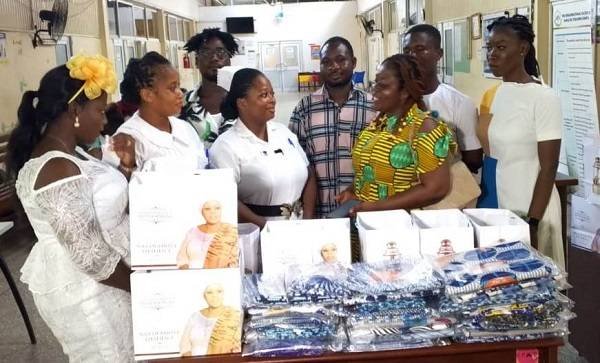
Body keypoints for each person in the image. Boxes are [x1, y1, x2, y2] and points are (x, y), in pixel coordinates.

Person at [6, 55, 136, 361]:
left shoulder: (73, 153)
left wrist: (127, 169)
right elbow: (90, 256)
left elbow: (99, 200)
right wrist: (144, 286)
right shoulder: (57, 168)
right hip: (90, 293)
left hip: (108, 286)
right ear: (75, 110)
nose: (105, 121)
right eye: (100, 112)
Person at [477, 15, 564, 268]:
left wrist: (532, 222)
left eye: (501, 47)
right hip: (498, 200)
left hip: (531, 203)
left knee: (534, 285)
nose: (492, 54)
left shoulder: (544, 97)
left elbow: (548, 167)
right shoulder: (493, 94)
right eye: (489, 47)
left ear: (523, 49)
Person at [337, 54, 455, 214]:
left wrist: (377, 207)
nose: (374, 91)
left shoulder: (424, 127)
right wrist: (352, 191)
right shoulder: (379, 122)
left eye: (382, 86)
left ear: (405, 91)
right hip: (366, 222)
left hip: (400, 229)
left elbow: (436, 188)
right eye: (374, 84)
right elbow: (368, 171)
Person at [210, 68, 316, 228]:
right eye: (264, 95)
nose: (272, 100)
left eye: (272, 94)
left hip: (299, 229)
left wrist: (307, 221)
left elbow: (310, 175)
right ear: (242, 103)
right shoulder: (226, 146)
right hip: (257, 233)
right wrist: (267, 229)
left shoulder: (283, 133)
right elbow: (226, 198)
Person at [289, 36, 377, 217]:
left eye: (341, 60)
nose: (334, 66)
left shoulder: (373, 107)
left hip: (364, 209)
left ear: (353, 62)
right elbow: (296, 163)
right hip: (319, 212)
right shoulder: (305, 108)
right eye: (326, 62)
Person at [403, 24, 483, 173]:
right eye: (407, 51)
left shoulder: (459, 102)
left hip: (446, 191)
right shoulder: (395, 100)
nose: (412, 56)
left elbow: (474, 160)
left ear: (439, 54)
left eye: (420, 49)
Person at [116, 51, 207, 172]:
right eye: (172, 88)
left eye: (179, 86)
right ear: (147, 95)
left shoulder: (185, 128)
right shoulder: (128, 137)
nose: (180, 93)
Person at [180, 28, 239, 147]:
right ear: (196, 61)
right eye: (206, 53)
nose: (214, 58)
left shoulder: (246, 100)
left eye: (220, 52)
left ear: (229, 60)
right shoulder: (181, 104)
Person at [179, 283, 241, 356]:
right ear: (204, 296)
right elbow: (184, 346)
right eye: (209, 292)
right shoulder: (195, 317)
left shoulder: (234, 315)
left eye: (219, 291)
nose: (214, 295)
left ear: (223, 294)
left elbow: (237, 348)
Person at [176, 200, 239, 269]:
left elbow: (234, 263)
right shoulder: (192, 231)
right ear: (202, 212)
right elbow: (182, 257)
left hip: (219, 278)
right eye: (207, 209)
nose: (213, 212)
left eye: (217, 208)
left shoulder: (231, 231)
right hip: (192, 277)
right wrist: (186, 273)